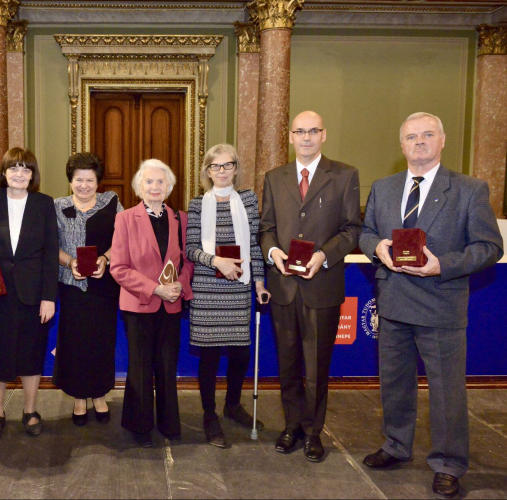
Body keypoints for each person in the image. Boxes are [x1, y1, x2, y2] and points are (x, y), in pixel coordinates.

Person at [358, 112, 503, 498]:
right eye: (411, 137)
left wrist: (444, 265)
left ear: (442, 141)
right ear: (401, 144)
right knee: (394, 385)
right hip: (392, 303)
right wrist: (377, 248)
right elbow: (366, 232)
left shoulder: (470, 189)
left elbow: (490, 247)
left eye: (427, 135)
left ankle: (448, 463)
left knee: (446, 392)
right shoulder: (383, 187)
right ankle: (395, 446)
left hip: (441, 305)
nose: (418, 142)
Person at [258, 110, 361, 462]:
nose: (306, 137)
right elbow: (266, 226)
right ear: (290, 136)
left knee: (317, 366)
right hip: (284, 285)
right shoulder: (274, 177)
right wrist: (273, 252)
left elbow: (352, 229)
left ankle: (314, 431)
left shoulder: (345, 176)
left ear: (323, 134)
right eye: (299, 131)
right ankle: (292, 426)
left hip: (322, 285)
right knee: (287, 364)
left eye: (313, 130)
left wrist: (324, 256)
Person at [0, 147, 58, 443]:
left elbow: (49, 254)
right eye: (14, 168)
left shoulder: (44, 204)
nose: (20, 174)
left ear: (33, 176)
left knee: (32, 355)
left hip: (34, 294)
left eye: (26, 169)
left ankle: (30, 411)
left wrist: (49, 297)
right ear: (4, 172)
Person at [186, 144, 270, 448]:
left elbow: (255, 247)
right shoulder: (197, 204)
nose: (221, 171)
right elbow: (191, 248)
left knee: (240, 352)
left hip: (238, 287)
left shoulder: (248, 200)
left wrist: (259, 283)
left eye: (226, 165)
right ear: (207, 171)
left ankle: (232, 405)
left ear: (236, 168)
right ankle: (210, 415)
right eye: (214, 166)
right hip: (207, 289)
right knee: (208, 355)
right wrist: (216, 261)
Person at [109, 159, 194, 448]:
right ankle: (139, 425)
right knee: (141, 365)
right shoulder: (125, 219)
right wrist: (156, 289)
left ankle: (170, 423)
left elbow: (187, 261)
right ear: (139, 186)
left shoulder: (180, 219)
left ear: (168, 187)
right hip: (139, 304)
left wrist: (179, 285)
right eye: (149, 181)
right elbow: (118, 267)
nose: (155, 187)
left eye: (160, 182)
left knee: (167, 365)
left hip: (171, 303)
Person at [52, 152, 123, 426]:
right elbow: (51, 244)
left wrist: (106, 258)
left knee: (101, 342)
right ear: (70, 181)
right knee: (74, 342)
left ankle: (99, 396)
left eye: (89, 179)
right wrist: (69, 262)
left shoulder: (112, 203)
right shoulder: (57, 206)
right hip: (71, 285)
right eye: (78, 179)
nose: (84, 185)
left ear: (98, 181)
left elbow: (123, 240)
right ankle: (79, 397)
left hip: (102, 286)